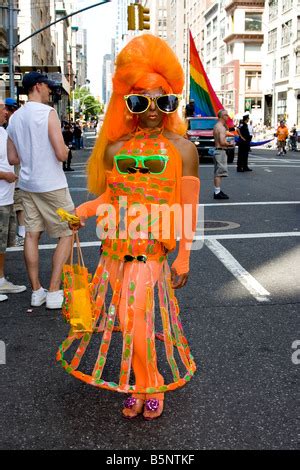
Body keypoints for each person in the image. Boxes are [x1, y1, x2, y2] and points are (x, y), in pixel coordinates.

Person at [56, 34, 200, 420]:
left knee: (135, 314)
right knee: (125, 316)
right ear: (128, 104)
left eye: (162, 99)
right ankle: (143, 380)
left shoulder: (183, 149)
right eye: (141, 100)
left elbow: (187, 208)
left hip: (151, 249)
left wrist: (183, 257)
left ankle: (149, 384)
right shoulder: (114, 148)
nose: (152, 109)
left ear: (171, 101)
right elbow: (110, 200)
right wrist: (82, 212)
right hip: (114, 249)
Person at [6, 71, 75, 309]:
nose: (50, 91)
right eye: (47, 87)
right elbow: (60, 153)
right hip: (52, 184)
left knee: (32, 235)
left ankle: (37, 291)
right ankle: (54, 291)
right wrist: (66, 150)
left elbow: (13, 157)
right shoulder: (47, 113)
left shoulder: (14, 118)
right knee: (67, 232)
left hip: (27, 183)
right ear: (37, 86)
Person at [0, 99, 26, 301]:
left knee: (3, 244)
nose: (6, 112)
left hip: (6, 197)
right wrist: (5, 175)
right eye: (3, 109)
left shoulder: (3, 132)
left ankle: (1, 280)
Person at [4, 98, 25, 246]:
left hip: (14, 171)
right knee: (16, 204)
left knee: (17, 204)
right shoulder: (16, 123)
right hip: (14, 171)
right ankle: (20, 233)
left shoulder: (12, 124)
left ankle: (21, 234)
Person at [212, 109, 234, 199]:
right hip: (220, 151)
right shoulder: (221, 127)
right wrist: (230, 144)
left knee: (218, 173)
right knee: (219, 173)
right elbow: (222, 142)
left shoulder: (217, 126)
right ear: (221, 116)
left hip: (217, 151)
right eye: (226, 115)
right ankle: (217, 193)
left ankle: (217, 191)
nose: (227, 116)